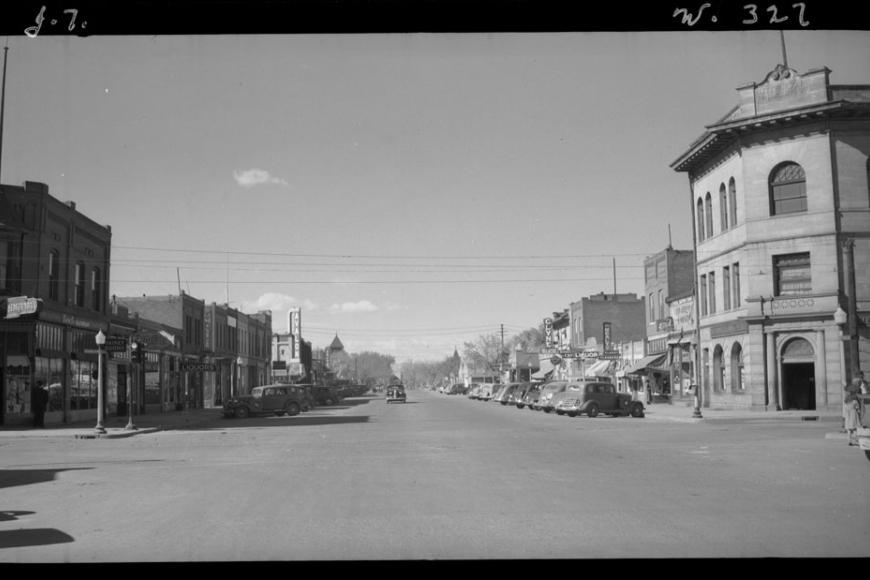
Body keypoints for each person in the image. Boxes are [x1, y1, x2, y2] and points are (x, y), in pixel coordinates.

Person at [843, 378, 862, 446]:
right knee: (855, 428)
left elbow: (845, 409)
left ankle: (849, 440)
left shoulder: (846, 401)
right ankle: (857, 440)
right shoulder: (854, 401)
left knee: (849, 429)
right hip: (854, 415)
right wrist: (859, 411)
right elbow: (858, 408)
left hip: (848, 416)